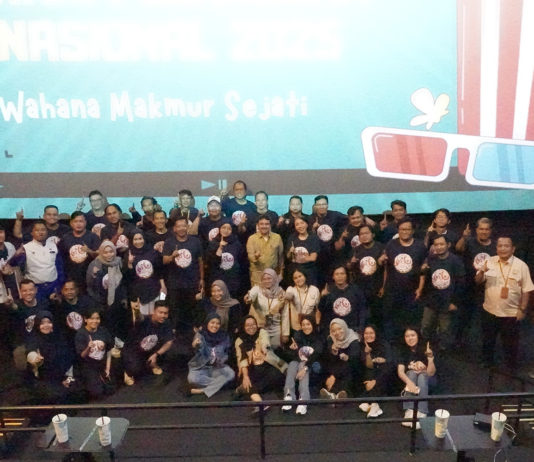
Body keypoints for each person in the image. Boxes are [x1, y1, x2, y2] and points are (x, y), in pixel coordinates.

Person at [475, 236, 534, 370]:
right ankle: (487, 361)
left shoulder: (521, 266)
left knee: (510, 343)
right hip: (489, 310)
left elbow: (527, 289)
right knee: (488, 340)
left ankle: (510, 366)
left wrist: (522, 309)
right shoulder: (489, 261)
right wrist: (482, 270)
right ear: (496, 248)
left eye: (506, 246)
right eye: (500, 246)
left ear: (513, 249)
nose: (502, 249)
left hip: (510, 313)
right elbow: (478, 281)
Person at [381, 217, 427, 342]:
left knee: (410, 322)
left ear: (412, 231)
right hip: (392, 291)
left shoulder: (420, 246)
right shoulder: (391, 244)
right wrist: (383, 287)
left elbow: (423, 270)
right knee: (391, 322)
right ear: (398, 230)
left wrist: (420, 289)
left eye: (407, 229)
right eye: (402, 229)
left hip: (412, 292)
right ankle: (392, 346)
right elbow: (386, 268)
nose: (405, 232)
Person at [454, 217, 496, 346]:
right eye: (481, 229)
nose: (484, 232)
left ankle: (484, 345)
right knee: (464, 317)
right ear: (476, 230)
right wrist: (464, 237)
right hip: (469, 287)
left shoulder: (496, 246)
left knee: (486, 320)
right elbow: (458, 248)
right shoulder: (469, 242)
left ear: (491, 231)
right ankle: (459, 342)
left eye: (486, 229)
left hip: (489, 288)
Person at [420, 235, 465, 350]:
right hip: (432, 300)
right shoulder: (431, 259)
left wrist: (455, 302)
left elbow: (461, 284)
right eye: (436, 245)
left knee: (445, 329)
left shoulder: (455, 261)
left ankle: (443, 350)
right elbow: (426, 277)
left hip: (447, 301)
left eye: (441, 244)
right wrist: (423, 270)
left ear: (448, 245)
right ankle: (425, 348)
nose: (439, 247)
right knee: (425, 326)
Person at [234, 315, 287, 409]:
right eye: (248, 325)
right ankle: (260, 403)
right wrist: (245, 376)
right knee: (247, 381)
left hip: (266, 365)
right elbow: (242, 360)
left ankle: (245, 390)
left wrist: (263, 350)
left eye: (253, 324)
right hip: (251, 369)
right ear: (243, 327)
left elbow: (266, 343)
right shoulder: (239, 340)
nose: (251, 327)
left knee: (277, 375)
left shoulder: (262, 332)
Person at [162, 216, 204, 333]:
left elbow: (200, 261)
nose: (181, 228)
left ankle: (194, 331)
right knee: (174, 309)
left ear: (187, 227)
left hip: (192, 281)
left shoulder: (195, 241)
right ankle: (173, 330)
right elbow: (164, 260)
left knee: (193, 308)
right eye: (178, 226)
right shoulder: (169, 242)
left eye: (183, 226)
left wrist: (202, 279)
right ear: (174, 229)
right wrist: (172, 256)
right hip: (174, 283)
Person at [25, 310, 77, 404]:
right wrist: (35, 358)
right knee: (55, 396)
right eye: (42, 323)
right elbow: (30, 353)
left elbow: (68, 357)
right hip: (42, 379)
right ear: (37, 325)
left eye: (49, 322)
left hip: (62, 375)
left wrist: (67, 378)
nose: (46, 325)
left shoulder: (59, 337)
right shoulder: (34, 339)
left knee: (75, 390)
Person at [86, 240, 127, 358]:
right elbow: (90, 285)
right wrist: (95, 275)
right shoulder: (95, 264)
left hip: (116, 299)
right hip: (100, 301)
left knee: (116, 321)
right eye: (105, 252)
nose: (109, 254)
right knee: (105, 323)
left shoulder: (119, 262)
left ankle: (116, 341)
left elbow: (123, 282)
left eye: (111, 251)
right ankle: (108, 345)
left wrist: (123, 297)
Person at [122, 301, 175, 386]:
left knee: (167, 353)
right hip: (133, 350)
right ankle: (127, 373)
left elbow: (169, 342)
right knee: (135, 369)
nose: (163, 316)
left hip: (151, 349)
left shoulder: (167, 323)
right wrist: (136, 311)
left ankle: (151, 362)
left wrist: (156, 354)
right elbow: (139, 318)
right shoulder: (144, 320)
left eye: (165, 313)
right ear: (153, 311)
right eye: (160, 312)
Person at [281, 315, 324, 415]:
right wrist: (291, 349)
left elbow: (316, 355)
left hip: (313, 364)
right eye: (303, 325)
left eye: (308, 324)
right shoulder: (298, 335)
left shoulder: (318, 337)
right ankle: (289, 395)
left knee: (302, 364)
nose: (306, 327)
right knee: (292, 364)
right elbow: (294, 356)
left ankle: (303, 400)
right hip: (299, 362)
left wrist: (305, 368)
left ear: (312, 325)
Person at [12, 220, 64, 301]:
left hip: (53, 286)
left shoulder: (54, 246)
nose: (40, 232)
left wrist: (59, 286)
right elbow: (13, 264)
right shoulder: (26, 248)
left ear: (47, 231)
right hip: (35, 288)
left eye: (43, 230)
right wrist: (16, 255)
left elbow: (60, 267)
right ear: (32, 233)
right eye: (37, 230)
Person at [187, 313, 235, 398]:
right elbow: (196, 347)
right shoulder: (200, 335)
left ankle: (203, 390)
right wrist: (195, 345)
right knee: (192, 379)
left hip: (217, 367)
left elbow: (226, 352)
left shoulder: (224, 336)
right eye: (212, 322)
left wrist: (222, 359)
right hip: (201, 367)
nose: (215, 325)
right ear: (207, 323)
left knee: (231, 374)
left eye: (218, 323)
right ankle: (220, 384)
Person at [6, 278, 50, 370]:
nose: (28, 293)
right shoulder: (17, 305)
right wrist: (12, 306)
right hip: (23, 342)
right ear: (20, 292)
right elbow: (16, 310)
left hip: (42, 340)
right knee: (21, 362)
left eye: (31, 290)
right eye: (24, 291)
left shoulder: (44, 303)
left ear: (36, 290)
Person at [397, 328, 436, 429]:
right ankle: (409, 410)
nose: (410, 338)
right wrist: (409, 383)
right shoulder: (402, 351)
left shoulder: (426, 349)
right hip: (411, 382)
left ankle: (422, 412)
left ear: (418, 336)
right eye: (407, 336)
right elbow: (400, 372)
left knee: (422, 376)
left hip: (427, 381)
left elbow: (431, 373)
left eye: (413, 335)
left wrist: (430, 358)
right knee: (411, 373)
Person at [351, 225, 385, 328]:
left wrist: (383, 287)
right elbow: (350, 269)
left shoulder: (381, 248)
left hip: (377, 288)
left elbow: (387, 270)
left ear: (373, 234)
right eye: (361, 234)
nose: (364, 236)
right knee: (363, 317)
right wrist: (351, 263)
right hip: (361, 289)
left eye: (366, 233)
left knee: (378, 317)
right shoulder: (356, 250)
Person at [75, 307, 113, 399]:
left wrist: (108, 368)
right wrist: (88, 347)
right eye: (91, 318)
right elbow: (82, 355)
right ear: (85, 319)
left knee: (111, 388)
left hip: (102, 363)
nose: (95, 321)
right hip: (88, 366)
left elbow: (109, 350)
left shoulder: (103, 331)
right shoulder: (81, 333)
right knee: (97, 392)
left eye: (97, 318)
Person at [309, 195, 347, 288]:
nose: (321, 206)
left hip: (333, 255)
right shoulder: (310, 219)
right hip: (318, 257)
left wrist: (341, 237)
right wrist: (313, 229)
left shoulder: (335, 215)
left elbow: (349, 219)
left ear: (327, 205)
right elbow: (307, 238)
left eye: (324, 204)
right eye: (319, 205)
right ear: (315, 206)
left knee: (333, 283)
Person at [58, 211, 100, 292]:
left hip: (89, 277)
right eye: (76, 221)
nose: (78, 224)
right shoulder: (65, 238)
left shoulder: (93, 237)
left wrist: (89, 251)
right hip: (70, 278)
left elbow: (99, 256)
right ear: (71, 223)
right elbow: (60, 259)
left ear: (85, 222)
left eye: (81, 221)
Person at [318, 266, 367, 335]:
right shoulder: (329, 291)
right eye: (337, 274)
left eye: (342, 273)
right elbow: (321, 310)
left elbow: (362, 309)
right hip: (335, 331)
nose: (339, 276)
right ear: (333, 277)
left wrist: (361, 327)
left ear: (346, 275)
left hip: (352, 329)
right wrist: (323, 297)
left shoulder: (355, 290)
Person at [126, 230, 165, 315]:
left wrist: (162, 285)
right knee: (143, 319)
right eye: (135, 239)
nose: (138, 241)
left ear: (144, 239)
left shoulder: (152, 252)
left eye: (140, 238)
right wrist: (129, 263)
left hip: (154, 289)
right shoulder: (128, 254)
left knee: (155, 316)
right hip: (138, 293)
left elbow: (159, 270)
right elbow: (129, 277)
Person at [320, 318, 360, 400]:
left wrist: (334, 375)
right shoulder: (331, 339)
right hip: (334, 371)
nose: (337, 332)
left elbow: (355, 363)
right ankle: (334, 395)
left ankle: (334, 394)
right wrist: (333, 353)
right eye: (334, 331)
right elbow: (327, 360)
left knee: (347, 373)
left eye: (339, 329)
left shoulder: (354, 340)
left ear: (344, 327)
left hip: (350, 371)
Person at [245, 268, 286, 349]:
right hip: (260, 328)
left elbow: (285, 315)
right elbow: (250, 296)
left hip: (275, 328)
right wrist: (248, 298)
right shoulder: (257, 289)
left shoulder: (281, 292)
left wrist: (285, 333)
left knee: (275, 351)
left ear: (274, 278)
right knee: (261, 351)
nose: (267, 281)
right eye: (264, 279)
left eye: (269, 278)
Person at [358, 325, 393, 418]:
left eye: (371, 333)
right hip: (369, 376)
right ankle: (373, 404)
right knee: (369, 371)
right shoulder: (361, 346)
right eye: (366, 333)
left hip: (383, 377)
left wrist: (375, 381)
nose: (368, 335)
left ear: (376, 334)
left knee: (383, 367)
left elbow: (390, 363)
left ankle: (373, 403)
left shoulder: (384, 344)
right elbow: (368, 366)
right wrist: (367, 354)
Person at [205, 222, 247, 297]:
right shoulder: (213, 243)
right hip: (217, 278)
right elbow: (212, 263)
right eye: (223, 228)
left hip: (232, 280)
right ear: (219, 229)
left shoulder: (236, 243)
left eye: (229, 229)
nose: (226, 230)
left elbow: (241, 261)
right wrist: (220, 248)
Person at [246, 216, 284, 286]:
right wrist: (256, 257)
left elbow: (281, 257)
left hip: (273, 275)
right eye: (261, 224)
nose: (264, 226)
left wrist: (281, 273)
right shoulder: (251, 239)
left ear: (270, 225)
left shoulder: (277, 237)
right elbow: (250, 257)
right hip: (257, 277)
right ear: (257, 225)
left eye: (267, 224)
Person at [283, 269, 320, 335]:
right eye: (295, 278)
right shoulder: (291, 289)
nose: (298, 279)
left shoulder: (314, 289)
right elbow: (289, 296)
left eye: (300, 276)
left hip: (310, 326)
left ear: (305, 276)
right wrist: (285, 296)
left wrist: (317, 325)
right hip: (296, 328)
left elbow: (318, 310)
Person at [285, 217, 320, 287]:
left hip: (309, 272)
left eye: (302, 223)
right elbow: (288, 257)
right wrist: (290, 252)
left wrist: (299, 257)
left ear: (307, 224)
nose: (300, 226)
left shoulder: (313, 238)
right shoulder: (292, 238)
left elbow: (313, 258)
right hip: (295, 272)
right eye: (297, 224)